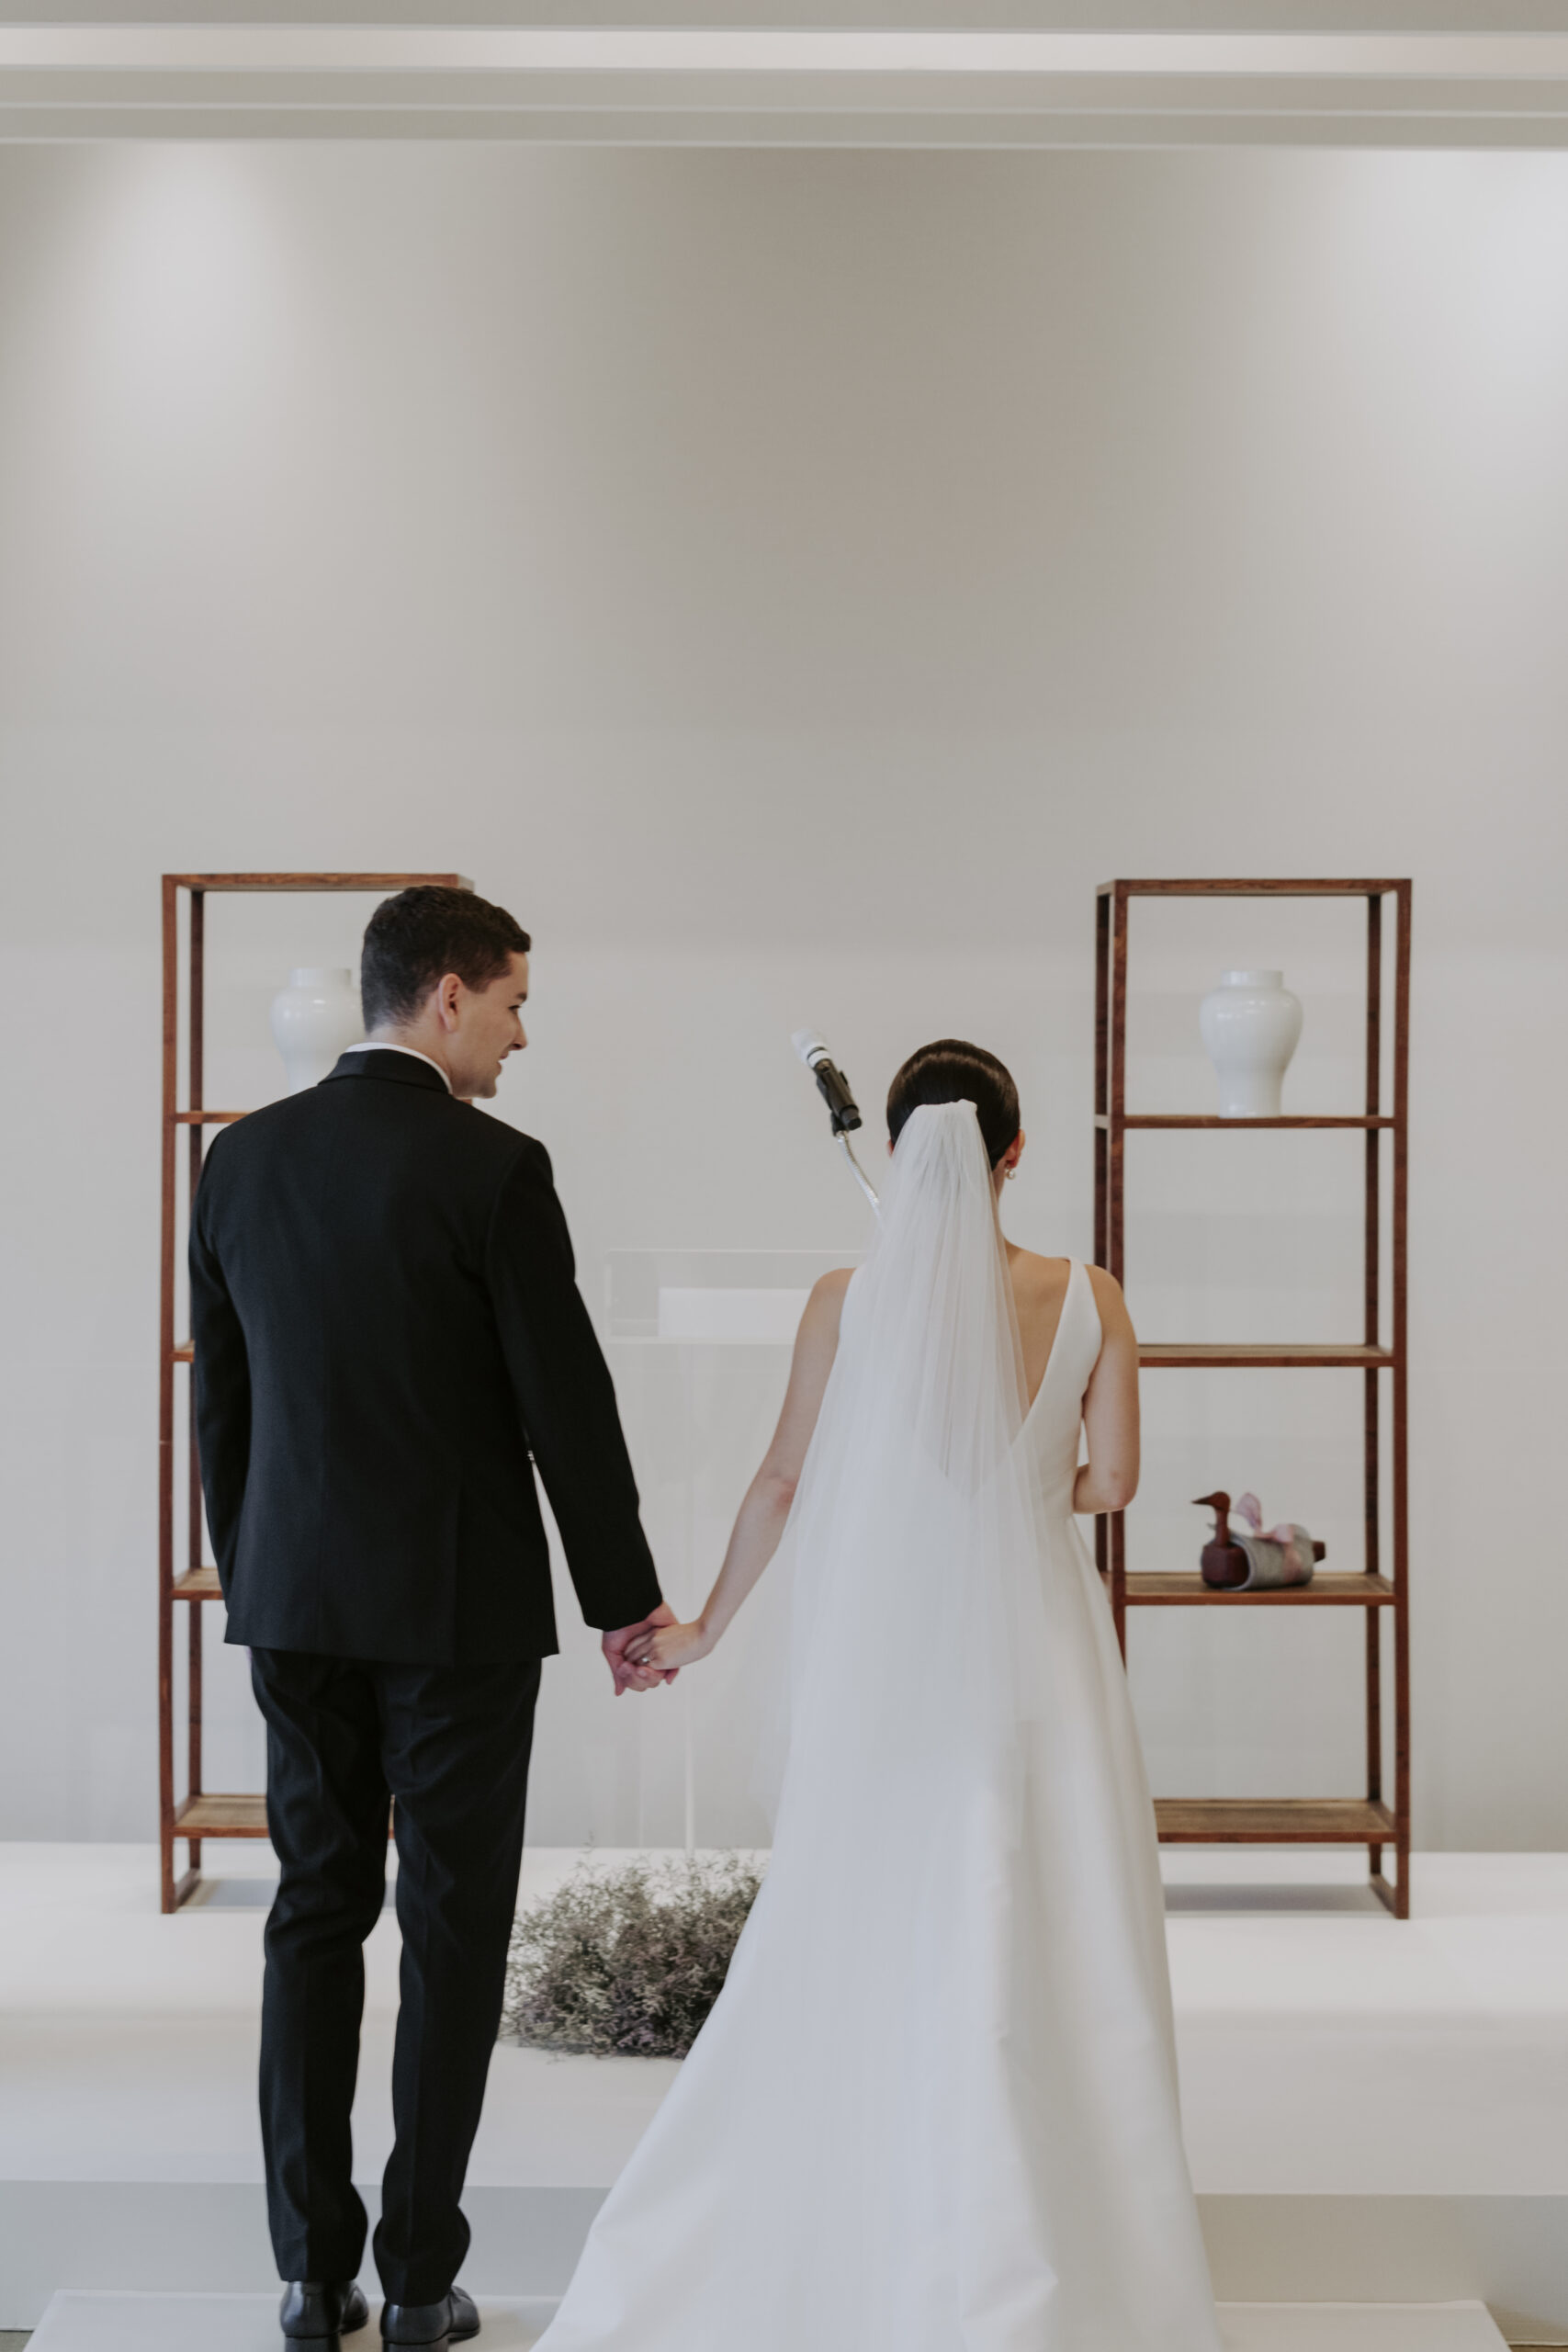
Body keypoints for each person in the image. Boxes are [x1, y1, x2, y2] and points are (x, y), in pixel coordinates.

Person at [536, 1040, 1224, 2352]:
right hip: (1044, 1638)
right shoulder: (1090, 1294)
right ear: (1016, 1153)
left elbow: (784, 1482)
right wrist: (1022, 1493)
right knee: (1049, 1909)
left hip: (890, 1654)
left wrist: (701, 1630)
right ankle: (1061, 2243)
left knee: (880, 1904)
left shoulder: (848, 1300)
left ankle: (880, 2202)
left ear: (900, 1155)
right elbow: (1117, 1485)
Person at [190, 886, 674, 2352]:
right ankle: (414, 2285)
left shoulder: (241, 1160)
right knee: (452, 1931)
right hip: (457, 1610)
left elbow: (224, 1398)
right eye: (516, 1002)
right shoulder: (496, 1169)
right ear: (448, 994)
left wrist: (254, 1562)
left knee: (310, 1915)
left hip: (293, 1598)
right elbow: (563, 1408)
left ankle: (304, 2274)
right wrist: (625, 1600)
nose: (523, 1035)